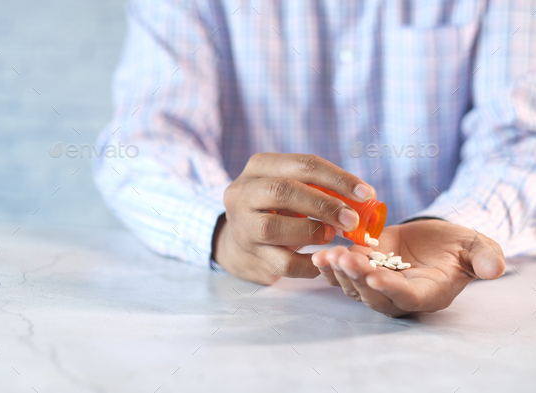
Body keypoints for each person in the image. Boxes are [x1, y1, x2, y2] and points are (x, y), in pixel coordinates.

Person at [94, 0, 536, 317]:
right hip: (252, 308)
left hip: (468, 303)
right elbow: (141, 143)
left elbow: (519, 139)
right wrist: (221, 228)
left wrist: (454, 223)